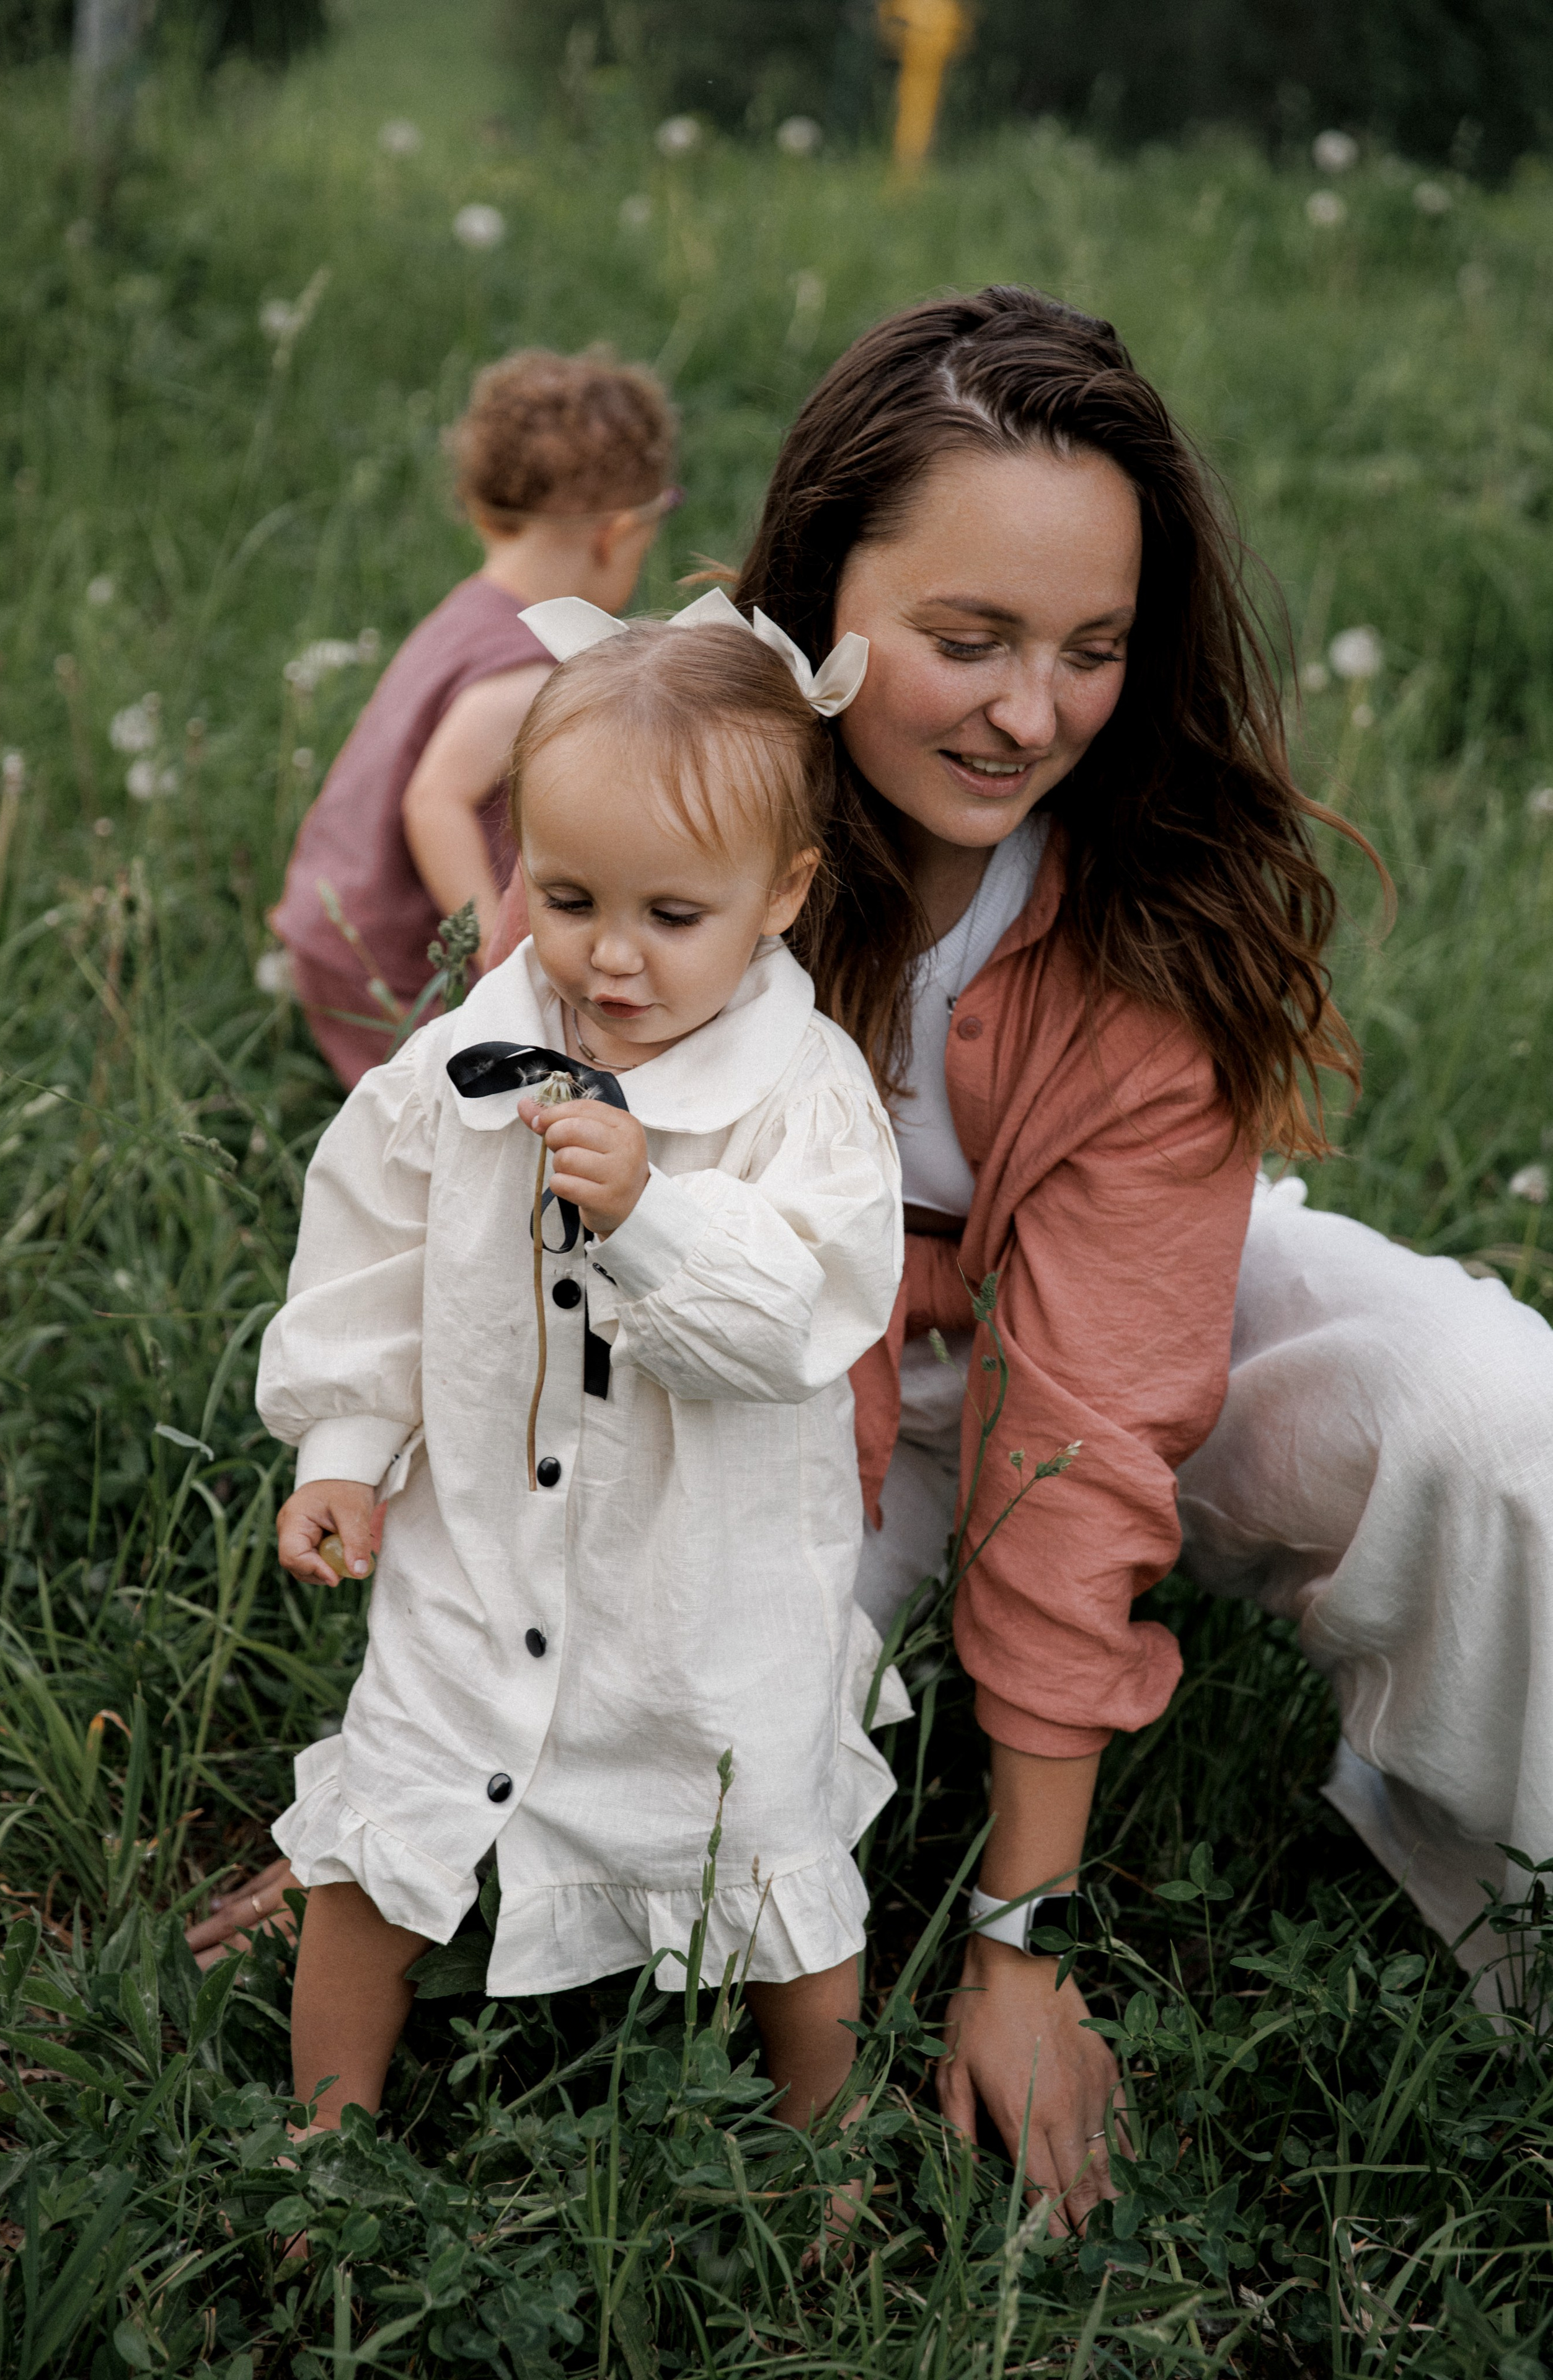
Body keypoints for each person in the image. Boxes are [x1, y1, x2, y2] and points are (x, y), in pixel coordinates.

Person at [723, 282, 1553, 2231]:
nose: (1032, 712)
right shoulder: (683, 769)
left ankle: (1479, 1878)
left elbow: (1084, 1416)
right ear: (818, 583)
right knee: (693, 1758)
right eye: (967, 637)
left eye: (1089, 649)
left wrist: (1020, 1932)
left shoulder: (1137, 893)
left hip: (1125, 1293)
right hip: (779, 1361)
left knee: (1499, 1423)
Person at [250, 595, 909, 2136]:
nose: (609, 957)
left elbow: (809, 1315)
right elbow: (371, 1268)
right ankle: (315, 2144)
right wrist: (345, 1446)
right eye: (566, 897)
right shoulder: (455, 1070)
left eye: (670, 916)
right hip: (476, 1563)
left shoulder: (800, 1103)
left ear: (781, 895)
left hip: (701, 1593)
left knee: (765, 1863)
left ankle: (824, 2150)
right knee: (381, 1835)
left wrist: (655, 1218)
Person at [268, 347, 679, 1089]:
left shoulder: (470, 610)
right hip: (386, 958)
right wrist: (495, 945)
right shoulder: (529, 666)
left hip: (334, 920)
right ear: (614, 534)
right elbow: (435, 799)